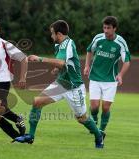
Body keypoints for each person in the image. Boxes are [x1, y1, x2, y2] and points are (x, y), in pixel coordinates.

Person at [13, 20, 104, 148]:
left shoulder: (68, 44)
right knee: (37, 102)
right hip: (61, 84)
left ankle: (99, 135)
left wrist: (39, 59)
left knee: (81, 118)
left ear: (59, 34)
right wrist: (57, 69)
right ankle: (30, 136)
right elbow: (63, 64)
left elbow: (61, 62)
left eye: (52, 33)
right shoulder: (59, 45)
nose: (51, 36)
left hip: (74, 87)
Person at [84, 16, 130, 134]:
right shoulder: (98, 38)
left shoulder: (120, 42)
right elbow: (89, 50)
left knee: (105, 107)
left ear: (114, 28)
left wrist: (120, 75)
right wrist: (87, 66)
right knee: (94, 106)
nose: (105, 30)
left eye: (108, 28)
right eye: (104, 27)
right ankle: (94, 125)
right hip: (95, 77)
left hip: (110, 80)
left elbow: (127, 62)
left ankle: (101, 130)